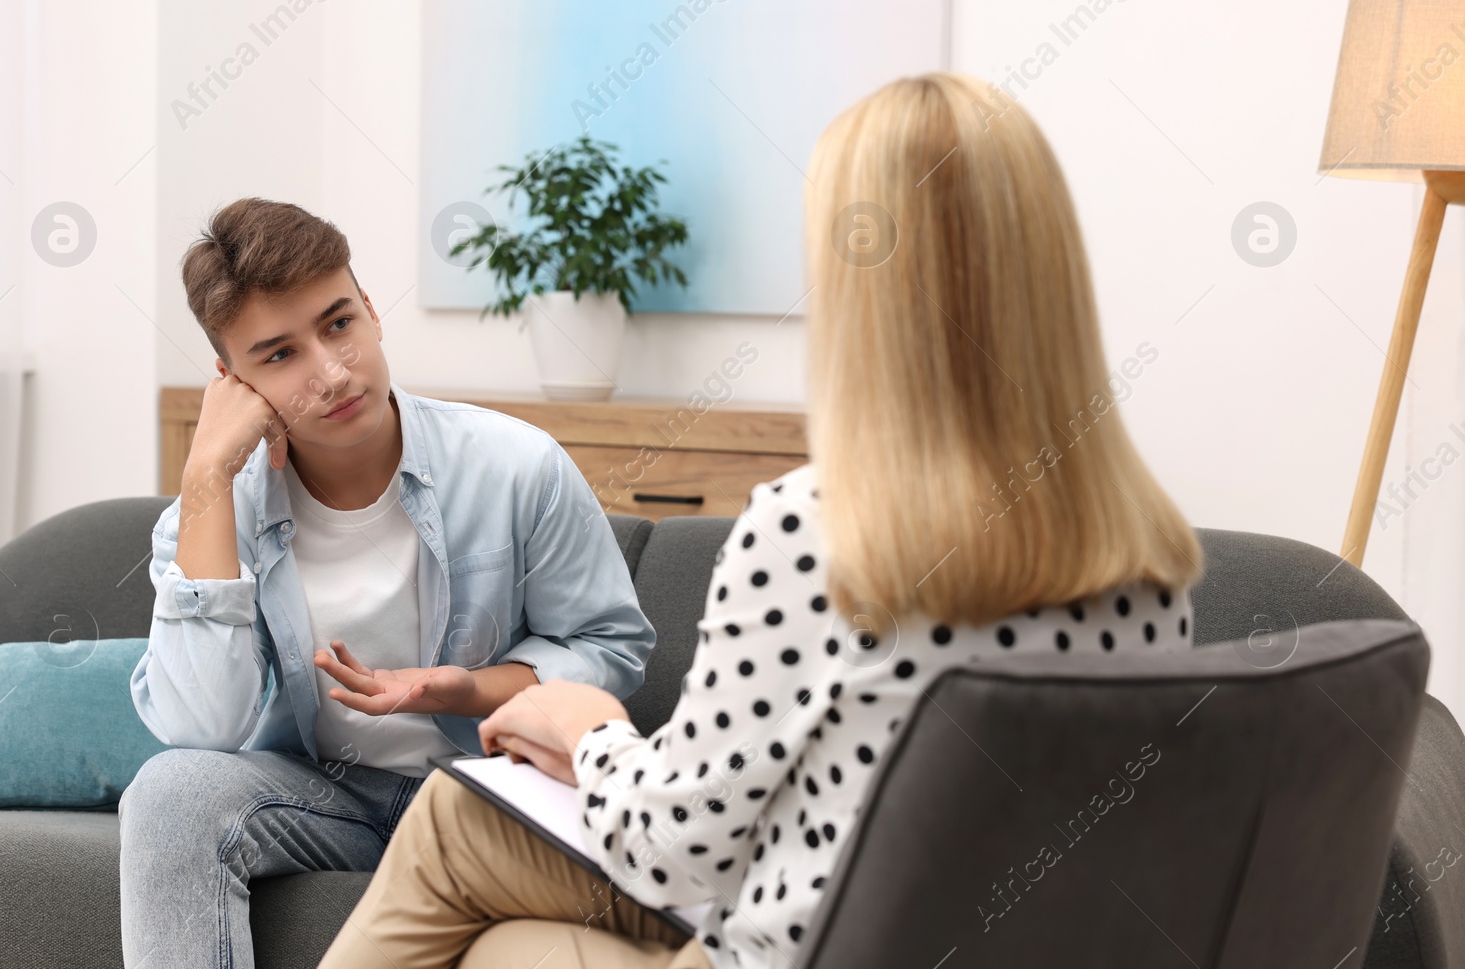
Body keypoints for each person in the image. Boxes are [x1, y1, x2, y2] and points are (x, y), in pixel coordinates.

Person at [314, 72, 1206, 969]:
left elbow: (676, 847)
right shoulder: (1145, 560)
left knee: (463, 849)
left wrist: (591, 732)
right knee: (500, 928)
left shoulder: (819, 534)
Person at [116, 197, 657, 969]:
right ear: (231, 382)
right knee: (168, 793)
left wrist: (460, 688)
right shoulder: (210, 511)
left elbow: (611, 644)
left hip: (482, 792)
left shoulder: (515, 464)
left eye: (338, 323)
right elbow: (204, 727)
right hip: (317, 798)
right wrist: (207, 472)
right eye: (278, 355)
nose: (332, 372)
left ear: (370, 310)